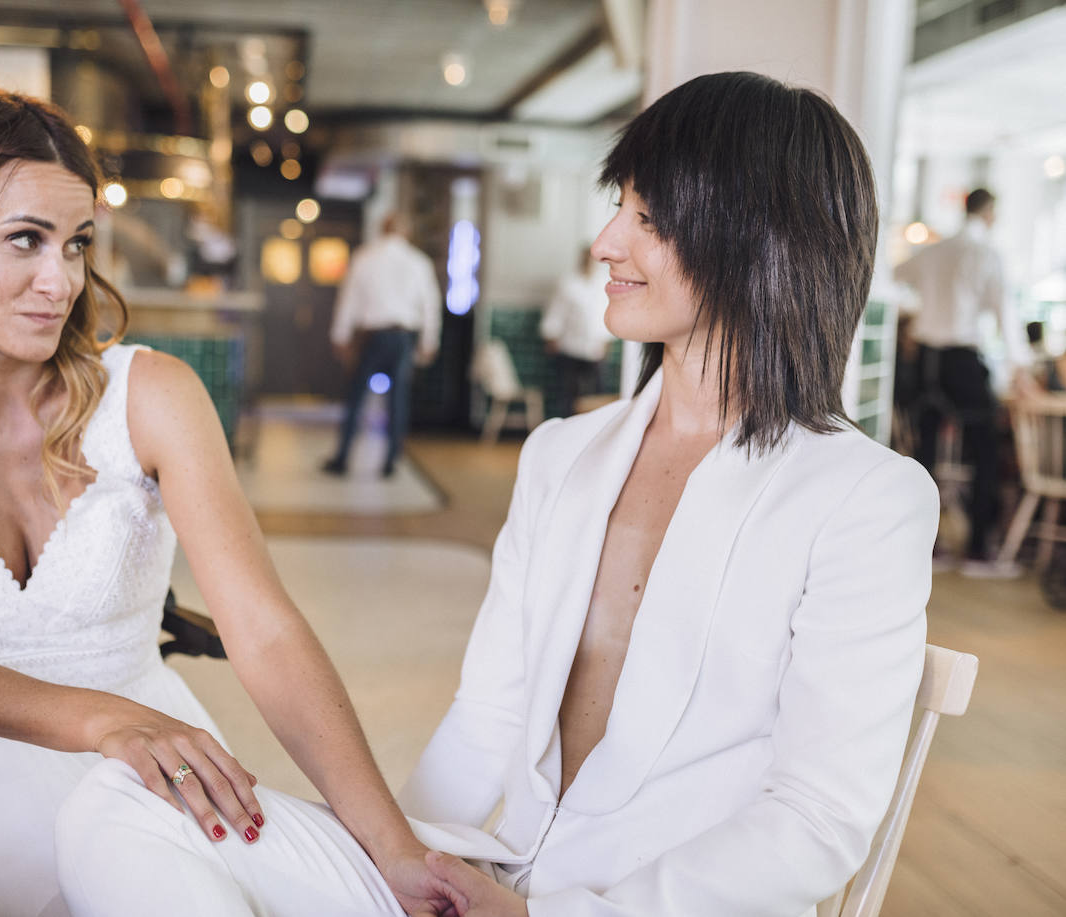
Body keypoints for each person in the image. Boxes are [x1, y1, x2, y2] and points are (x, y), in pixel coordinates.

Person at [55, 71, 938, 917]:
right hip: (496, 870)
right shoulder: (562, 454)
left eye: (647, 217)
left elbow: (818, 819)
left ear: (756, 239)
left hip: (631, 904)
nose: (606, 243)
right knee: (121, 800)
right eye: (617, 207)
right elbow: (488, 717)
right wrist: (396, 862)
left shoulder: (864, 498)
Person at [0, 86, 450, 917]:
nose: (58, 282)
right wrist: (108, 721)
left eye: (76, 244)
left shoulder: (152, 392)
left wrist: (393, 846)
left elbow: (265, 630)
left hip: (145, 759)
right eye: (25, 240)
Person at [895, 188, 1025, 576]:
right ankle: (977, 550)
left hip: (925, 360)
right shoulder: (985, 253)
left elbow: (896, 277)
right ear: (988, 212)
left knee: (925, 455)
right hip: (962, 360)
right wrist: (1019, 366)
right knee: (985, 450)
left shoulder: (934, 250)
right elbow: (1005, 311)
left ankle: (924, 547)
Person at [322, 214, 442, 478]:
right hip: (402, 337)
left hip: (371, 337)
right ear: (407, 232)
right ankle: (390, 462)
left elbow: (349, 300)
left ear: (381, 229)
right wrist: (429, 341)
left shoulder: (365, 257)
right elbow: (430, 305)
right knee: (397, 400)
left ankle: (342, 457)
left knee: (356, 399)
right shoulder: (418, 262)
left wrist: (340, 335)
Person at [539, 246, 613, 417]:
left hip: (596, 348)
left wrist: (607, 340)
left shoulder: (603, 283)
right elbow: (556, 312)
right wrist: (551, 336)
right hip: (570, 347)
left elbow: (605, 313)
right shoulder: (568, 283)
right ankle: (567, 425)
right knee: (568, 393)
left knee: (597, 392)